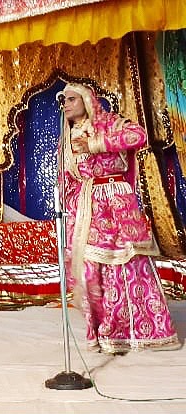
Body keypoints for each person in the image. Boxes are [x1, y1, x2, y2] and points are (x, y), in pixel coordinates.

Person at [57, 83, 180, 353]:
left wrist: (95, 144)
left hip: (116, 201)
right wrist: (71, 207)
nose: (65, 104)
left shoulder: (108, 123)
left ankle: (135, 333)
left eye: (72, 99)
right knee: (89, 270)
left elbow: (139, 136)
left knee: (127, 266)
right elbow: (67, 178)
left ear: (87, 101)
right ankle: (101, 330)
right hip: (88, 207)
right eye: (64, 99)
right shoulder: (66, 137)